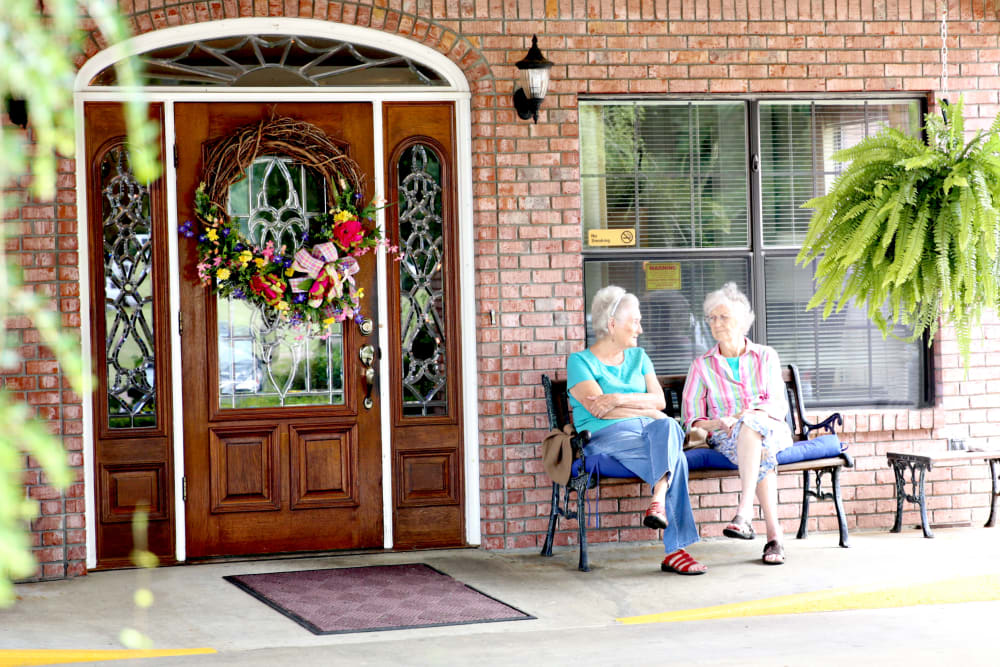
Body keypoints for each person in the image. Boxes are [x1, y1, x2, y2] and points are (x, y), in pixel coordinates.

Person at [567, 285, 705, 575]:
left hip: (651, 431)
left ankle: (658, 502)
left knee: (666, 424)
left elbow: (661, 401)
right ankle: (675, 551)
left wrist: (618, 398)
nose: (640, 329)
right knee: (675, 457)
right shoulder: (580, 362)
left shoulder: (639, 357)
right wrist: (648, 410)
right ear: (612, 324)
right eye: (635, 322)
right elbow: (597, 410)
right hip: (605, 436)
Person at [681, 282, 792, 565]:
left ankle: (744, 512)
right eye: (712, 318)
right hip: (726, 436)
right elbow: (692, 418)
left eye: (724, 317)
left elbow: (778, 406)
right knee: (755, 442)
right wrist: (719, 422)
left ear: (742, 322)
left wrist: (743, 416)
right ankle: (773, 537)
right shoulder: (701, 366)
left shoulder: (766, 356)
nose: (717, 324)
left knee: (753, 426)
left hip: (772, 429)